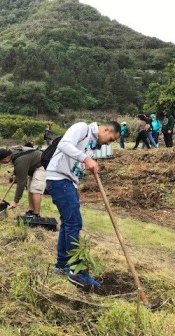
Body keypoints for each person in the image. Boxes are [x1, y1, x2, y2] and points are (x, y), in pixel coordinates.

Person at [46, 121, 120, 287]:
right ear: (106, 129)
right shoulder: (82, 128)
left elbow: (76, 161)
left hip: (68, 181)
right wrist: (86, 158)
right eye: (110, 139)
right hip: (59, 178)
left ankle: (62, 266)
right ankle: (77, 271)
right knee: (74, 223)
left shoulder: (92, 143)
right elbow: (65, 144)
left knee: (67, 223)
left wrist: (86, 164)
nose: (109, 143)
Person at [0, 145, 45, 218]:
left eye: (1, 161)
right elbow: (18, 164)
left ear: (5, 159)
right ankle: (31, 211)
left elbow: (21, 183)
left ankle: (36, 214)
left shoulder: (20, 160)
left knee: (35, 190)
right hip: (33, 167)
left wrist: (15, 201)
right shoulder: (12, 152)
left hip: (41, 165)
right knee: (30, 188)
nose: (1, 163)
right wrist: (15, 173)